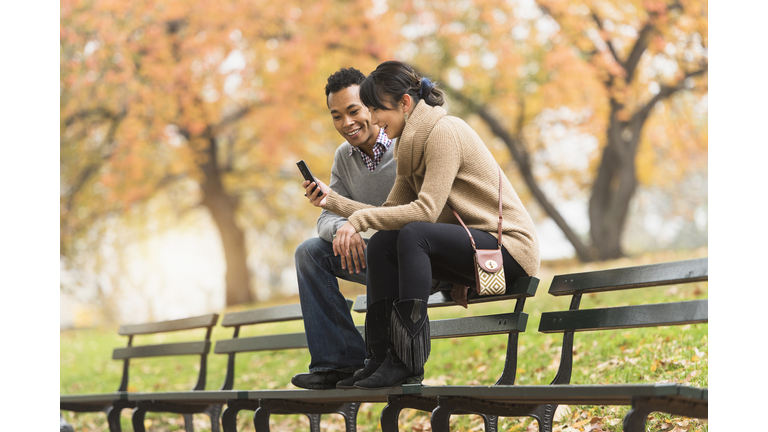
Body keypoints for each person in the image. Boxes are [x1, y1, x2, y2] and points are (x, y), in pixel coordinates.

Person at [305, 60, 540, 389]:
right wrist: (332, 202)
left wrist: (356, 220)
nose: (371, 119)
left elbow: (427, 211)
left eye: (376, 109)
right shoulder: (407, 145)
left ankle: (407, 360)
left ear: (404, 103)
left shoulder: (445, 132)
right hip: (470, 248)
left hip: (506, 251)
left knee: (414, 233)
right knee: (388, 240)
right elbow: (389, 211)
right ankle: (380, 357)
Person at [290, 67, 397, 390]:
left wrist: (354, 221)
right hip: (376, 258)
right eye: (337, 116)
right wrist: (340, 229)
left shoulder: (402, 144)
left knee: (380, 244)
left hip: (413, 257)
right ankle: (339, 362)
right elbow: (327, 216)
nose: (346, 123)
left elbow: (414, 213)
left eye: (353, 111)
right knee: (310, 253)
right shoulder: (344, 156)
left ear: (371, 106)